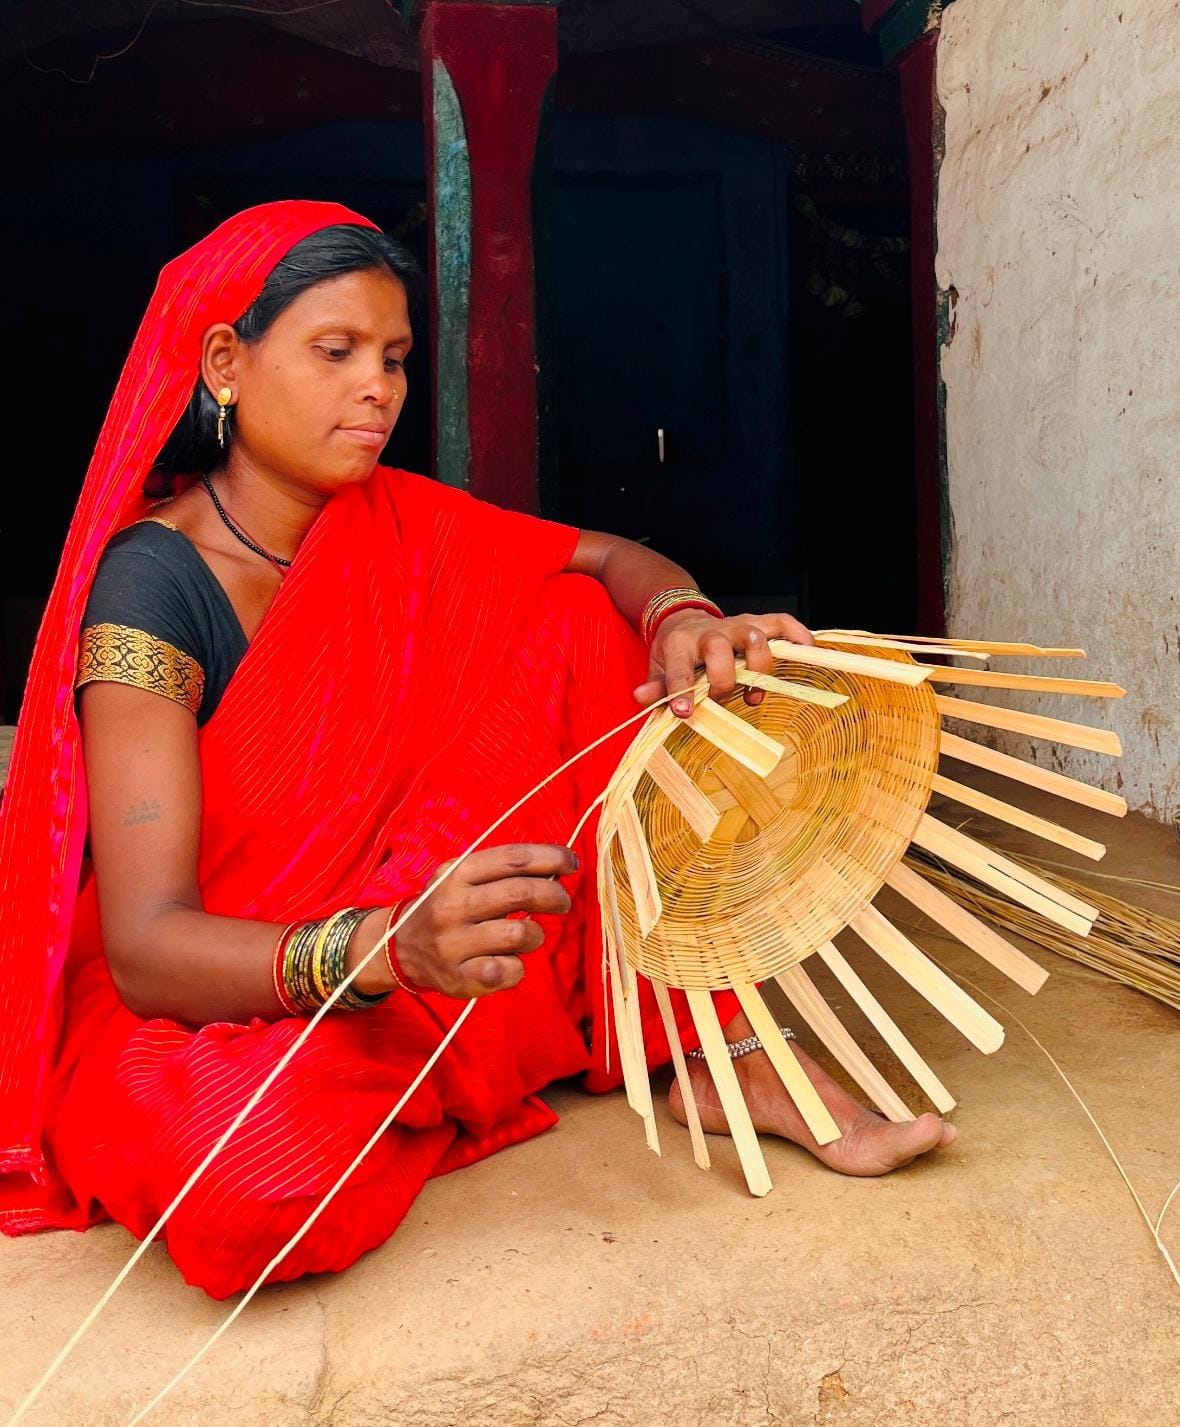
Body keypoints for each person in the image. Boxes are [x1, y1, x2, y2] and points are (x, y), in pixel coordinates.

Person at [0, 201, 954, 1299]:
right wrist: (386, 955)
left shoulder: (399, 520)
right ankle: (447, 1047)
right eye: (336, 351)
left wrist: (680, 617)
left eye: (396, 358)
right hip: (243, 985)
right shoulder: (154, 582)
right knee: (240, 1181)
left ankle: (701, 1041)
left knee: (576, 625)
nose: (380, 389)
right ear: (226, 360)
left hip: (420, 922)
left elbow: (608, 556)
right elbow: (148, 948)